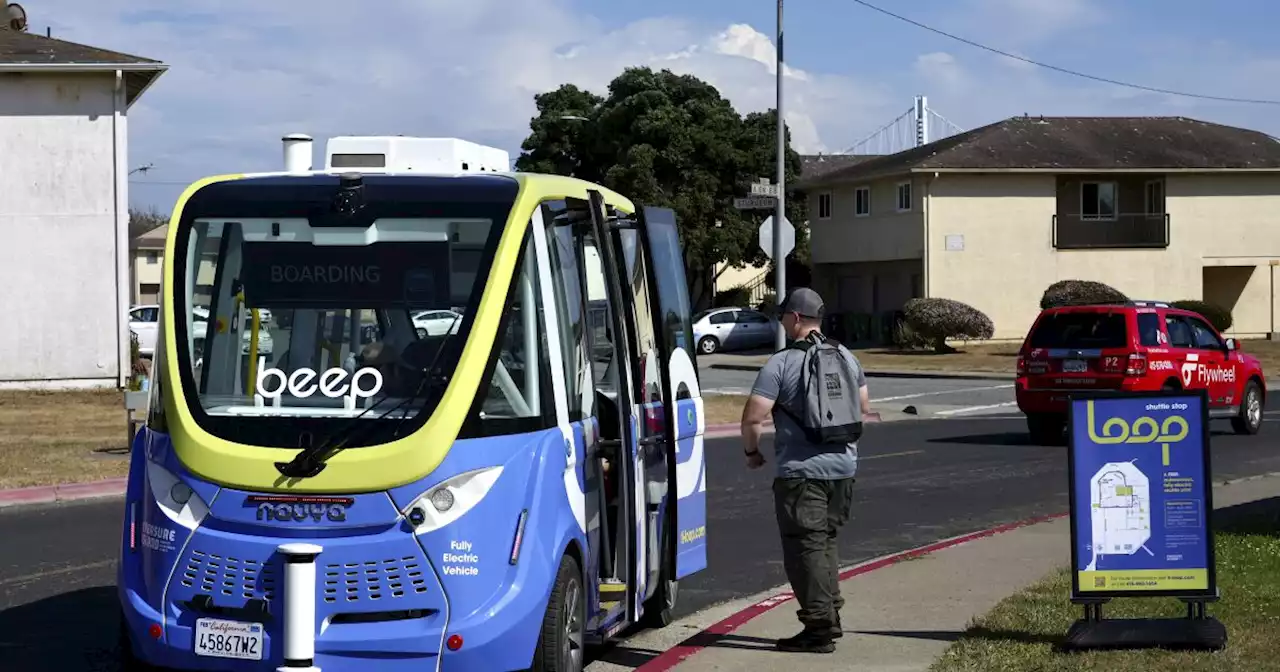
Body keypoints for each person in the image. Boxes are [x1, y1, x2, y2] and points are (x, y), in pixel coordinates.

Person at [740, 287, 873, 654]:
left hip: (802, 472)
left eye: (784, 315)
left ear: (795, 318)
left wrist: (752, 451)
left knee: (804, 551)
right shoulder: (846, 356)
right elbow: (862, 405)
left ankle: (819, 628)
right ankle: (830, 616)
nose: (782, 320)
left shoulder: (780, 363)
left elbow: (754, 416)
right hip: (843, 468)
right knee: (825, 544)